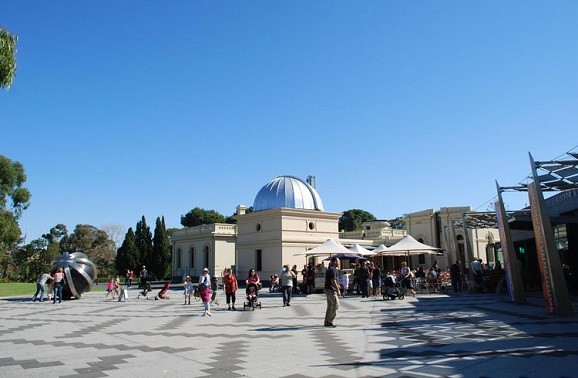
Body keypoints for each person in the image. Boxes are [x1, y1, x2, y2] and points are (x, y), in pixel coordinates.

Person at [324, 257, 340, 327]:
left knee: (330, 306)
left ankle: (327, 322)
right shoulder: (333, 270)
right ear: (334, 262)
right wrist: (338, 289)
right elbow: (333, 280)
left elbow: (332, 280)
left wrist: (337, 285)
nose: (339, 263)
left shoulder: (330, 269)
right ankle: (330, 320)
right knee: (336, 305)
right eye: (338, 261)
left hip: (328, 289)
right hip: (331, 290)